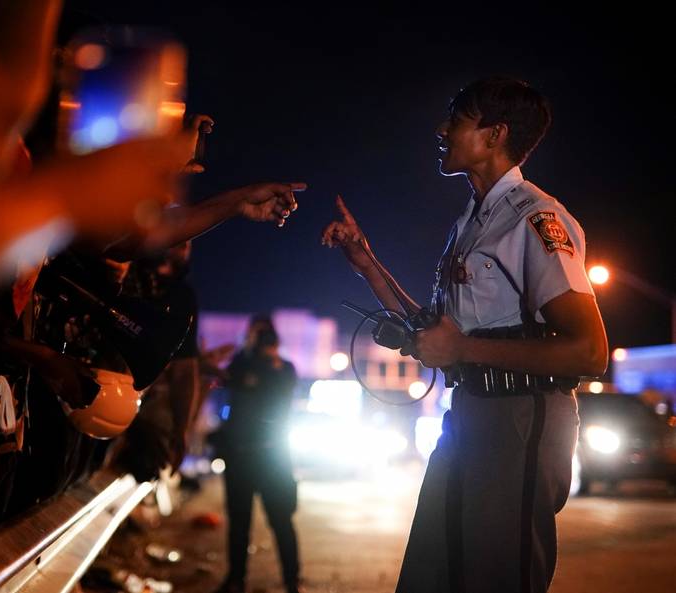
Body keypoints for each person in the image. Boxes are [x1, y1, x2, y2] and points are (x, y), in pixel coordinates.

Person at [322, 77, 608, 593]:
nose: (441, 129)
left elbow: (589, 352)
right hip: (470, 415)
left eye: (456, 118)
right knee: (433, 574)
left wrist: (461, 349)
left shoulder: (536, 218)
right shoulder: (472, 223)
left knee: (496, 578)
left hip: (521, 421)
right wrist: (366, 263)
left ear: (495, 134)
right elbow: (438, 333)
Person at [214, 316, 303, 593]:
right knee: (239, 523)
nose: (261, 338)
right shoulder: (241, 364)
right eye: (256, 333)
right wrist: (246, 351)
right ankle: (235, 580)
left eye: (265, 334)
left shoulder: (284, 368)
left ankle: (291, 581)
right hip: (240, 455)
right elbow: (228, 381)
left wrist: (266, 357)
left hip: (272, 457)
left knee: (281, 520)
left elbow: (280, 391)